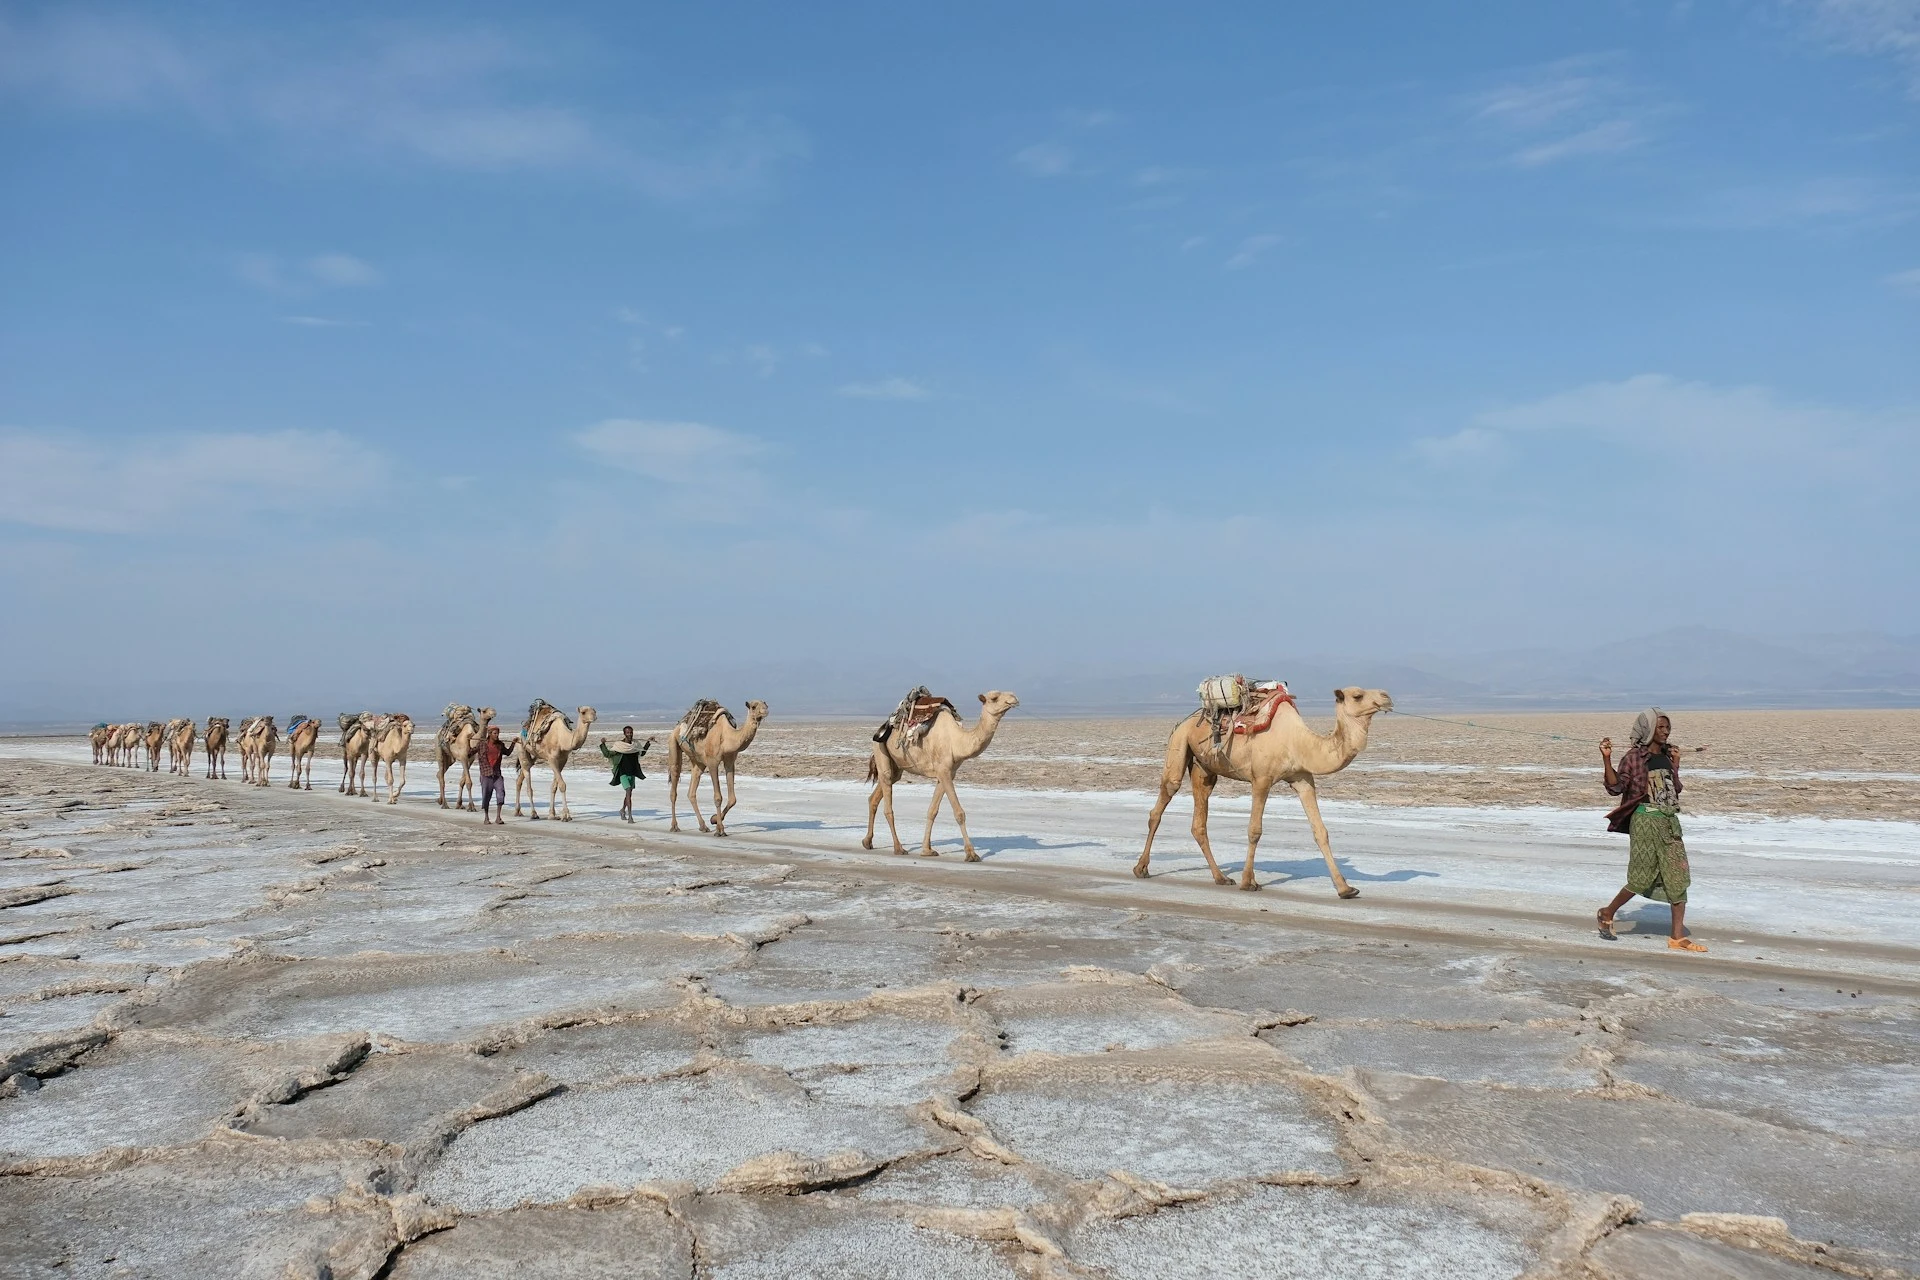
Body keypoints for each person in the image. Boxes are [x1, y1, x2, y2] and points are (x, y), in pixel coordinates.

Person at [1597, 709, 1705, 952]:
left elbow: (1675, 789)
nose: (1666, 732)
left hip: (1669, 822)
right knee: (1641, 876)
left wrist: (1676, 764)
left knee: (1678, 875)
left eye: (1668, 728)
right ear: (1648, 730)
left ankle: (1677, 937)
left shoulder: (1666, 756)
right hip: (1645, 820)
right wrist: (1606, 758)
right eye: (1661, 727)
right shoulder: (1634, 757)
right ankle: (1607, 913)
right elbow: (1616, 788)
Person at [600, 726, 653, 823]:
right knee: (628, 791)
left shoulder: (635, 745)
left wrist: (648, 742)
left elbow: (642, 753)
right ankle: (630, 817)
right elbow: (607, 754)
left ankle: (622, 810)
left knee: (629, 794)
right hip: (622, 773)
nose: (630, 734)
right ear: (624, 733)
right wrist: (603, 744)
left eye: (631, 732)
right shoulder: (619, 746)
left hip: (632, 772)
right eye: (627, 733)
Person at [478, 724, 512, 825]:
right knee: (486, 796)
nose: (497, 735)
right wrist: (466, 742)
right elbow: (470, 752)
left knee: (501, 793)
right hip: (486, 774)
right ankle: (486, 817)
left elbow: (508, 752)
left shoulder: (500, 745)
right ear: (489, 734)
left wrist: (513, 744)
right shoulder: (482, 744)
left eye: (498, 733)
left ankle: (498, 817)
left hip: (497, 774)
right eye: (495, 733)